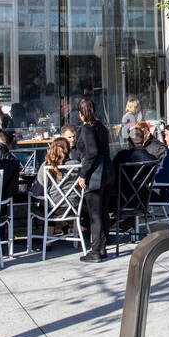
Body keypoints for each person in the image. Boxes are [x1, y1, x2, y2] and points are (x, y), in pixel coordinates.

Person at [74, 97, 114, 262]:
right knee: (103, 211)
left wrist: (83, 174)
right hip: (107, 172)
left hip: (95, 174)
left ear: (81, 114)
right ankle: (102, 247)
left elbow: (91, 153)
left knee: (95, 214)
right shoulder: (102, 127)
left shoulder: (86, 129)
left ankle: (96, 250)